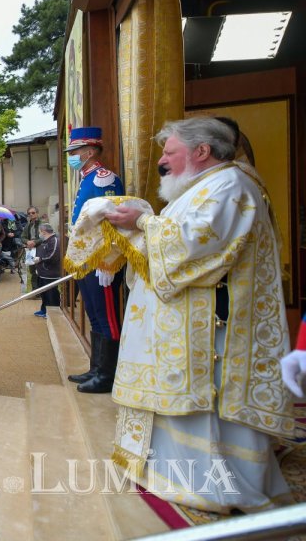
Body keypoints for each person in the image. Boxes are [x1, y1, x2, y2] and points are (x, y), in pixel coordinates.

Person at [103, 117, 293, 512]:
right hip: (192, 328)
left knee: (208, 413)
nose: (162, 161)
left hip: (215, 334)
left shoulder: (231, 185)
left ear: (201, 151)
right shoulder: (207, 186)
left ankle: (215, 487)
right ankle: (173, 474)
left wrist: (141, 221)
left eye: (169, 152)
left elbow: (194, 248)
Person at [65, 125, 124, 394]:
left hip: (102, 261)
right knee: (94, 314)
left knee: (107, 317)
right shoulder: (87, 179)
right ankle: (96, 368)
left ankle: (107, 376)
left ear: (89, 151)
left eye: (75, 151)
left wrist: (109, 260)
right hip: (86, 258)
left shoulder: (104, 178)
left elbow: (113, 222)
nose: (72, 156)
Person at [31, 224, 60, 318]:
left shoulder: (54, 240)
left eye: (40, 232)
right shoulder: (46, 241)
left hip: (51, 273)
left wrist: (40, 259)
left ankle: (53, 312)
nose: (39, 234)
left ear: (44, 232)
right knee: (44, 294)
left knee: (51, 294)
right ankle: (44, 310)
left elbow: (52, 256)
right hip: (42, 273)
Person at [21, 207, 42, 296]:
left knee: (40, 270)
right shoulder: (28, 225)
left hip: (40, 249)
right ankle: (35, 291)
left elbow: (44, 236)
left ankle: (42, 291)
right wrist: (27, 241)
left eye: (33, 213)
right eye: (29, 213)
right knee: (32, 270)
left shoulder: (42, 224)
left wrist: (34, 242)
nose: (31, 215)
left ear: (37, 213)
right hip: (31, 250)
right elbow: (22, 237)